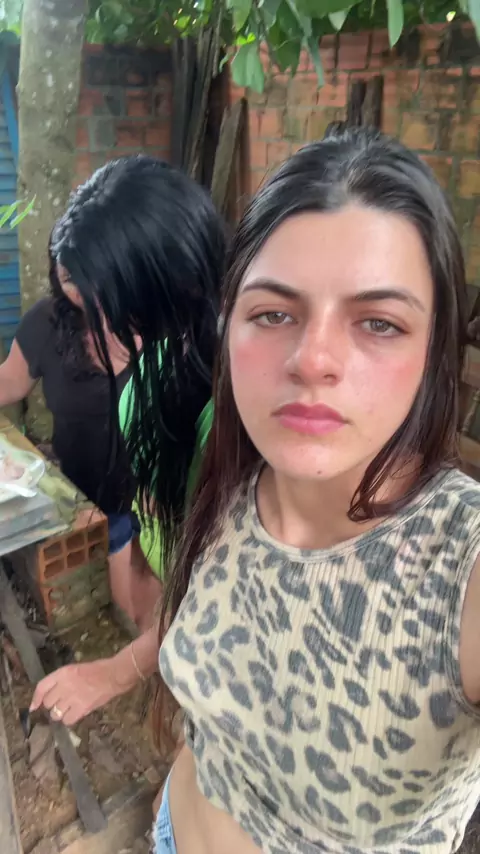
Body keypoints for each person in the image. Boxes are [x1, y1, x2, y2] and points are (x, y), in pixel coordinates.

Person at [151, 128, 480, 854]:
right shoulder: (236, 476)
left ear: (433, 353)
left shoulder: (461, 562)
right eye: (273, 314)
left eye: (379, 323)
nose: (312, 359)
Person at [28, 155, 225, 725]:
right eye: (80, 304)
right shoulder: (147, 373)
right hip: (165, 591)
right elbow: (148, 496)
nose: (92, 331)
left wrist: (116, 672)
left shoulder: (232, 418)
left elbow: (216, 594)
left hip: (208, 622)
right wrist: (132, 558)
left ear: (174, 289)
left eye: (109, 309)